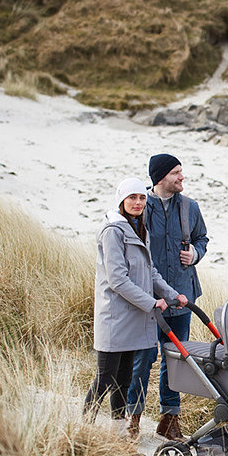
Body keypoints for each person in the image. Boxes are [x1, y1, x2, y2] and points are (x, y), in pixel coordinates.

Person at [88, 177, 186, 437]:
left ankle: (118, 432)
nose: (138, 202)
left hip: (133, 317)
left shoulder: (138, 228)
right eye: (132, 198)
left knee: (123, 381)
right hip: (115, 317)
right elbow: (118, 280)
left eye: (142, 198)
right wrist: (152, 302)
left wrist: (173, 294)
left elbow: (150, 271)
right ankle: (83, 427)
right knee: (105, 379)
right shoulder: (113, 232)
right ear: (122, 200)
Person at [127, 153, 209, 441]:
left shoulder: (190, 208)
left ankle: (169, 420)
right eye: (176, 173)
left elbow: (202, 239)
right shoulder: (139, 206)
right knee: (143, 358)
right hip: (148, 300)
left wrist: (195, 254)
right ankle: (133, 418)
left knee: (176, 360)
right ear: (160, 177)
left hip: (182, 296)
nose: (182, 177)